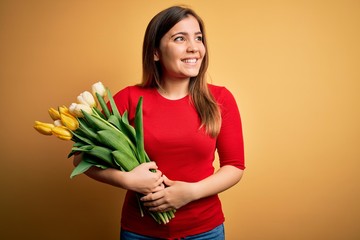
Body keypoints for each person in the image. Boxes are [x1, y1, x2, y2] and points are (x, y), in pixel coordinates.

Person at [74, 5, 245, 239]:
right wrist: (127, 179)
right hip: (141, 232)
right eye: (179, 38)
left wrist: (190, 193)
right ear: (155, 52)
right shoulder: (129, 99)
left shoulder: (220, 99)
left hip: (205, 230)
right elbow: (81, 157)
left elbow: (234, 166)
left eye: (198, 38)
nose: (194, 47)